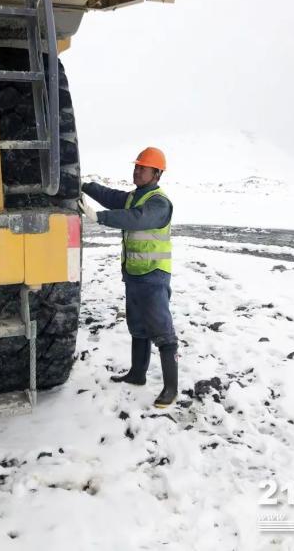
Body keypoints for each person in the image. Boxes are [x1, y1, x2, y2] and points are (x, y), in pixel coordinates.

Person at [79, 147, 178, 408]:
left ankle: (171, 388)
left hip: (154, 275)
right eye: (135, 167)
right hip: (134, 274)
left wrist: (97, 217)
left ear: (156, 173)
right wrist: (84, 185)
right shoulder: (134, 196)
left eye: (141, 168)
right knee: (138, 326)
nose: (136, 171)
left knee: (162, 331)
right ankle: (137, 375)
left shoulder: (158, 203)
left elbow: (136, 219)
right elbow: (111, 196)